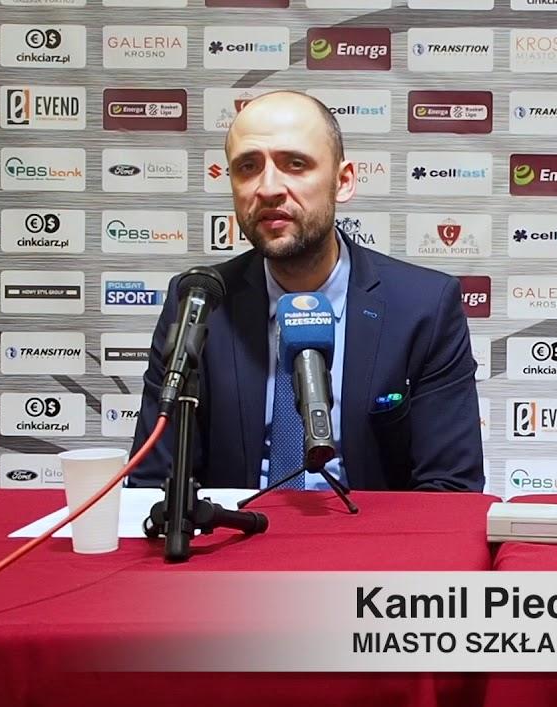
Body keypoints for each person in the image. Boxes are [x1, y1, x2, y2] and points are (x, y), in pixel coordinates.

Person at [129, 91, 484, 491]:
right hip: (235, 529)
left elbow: (452, 487)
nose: (268, 188)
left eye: (295, 164)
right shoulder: (201, 302)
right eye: (248, 167)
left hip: (368, 529)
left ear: (343, 181)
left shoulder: (424, 306)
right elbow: (153, 481)